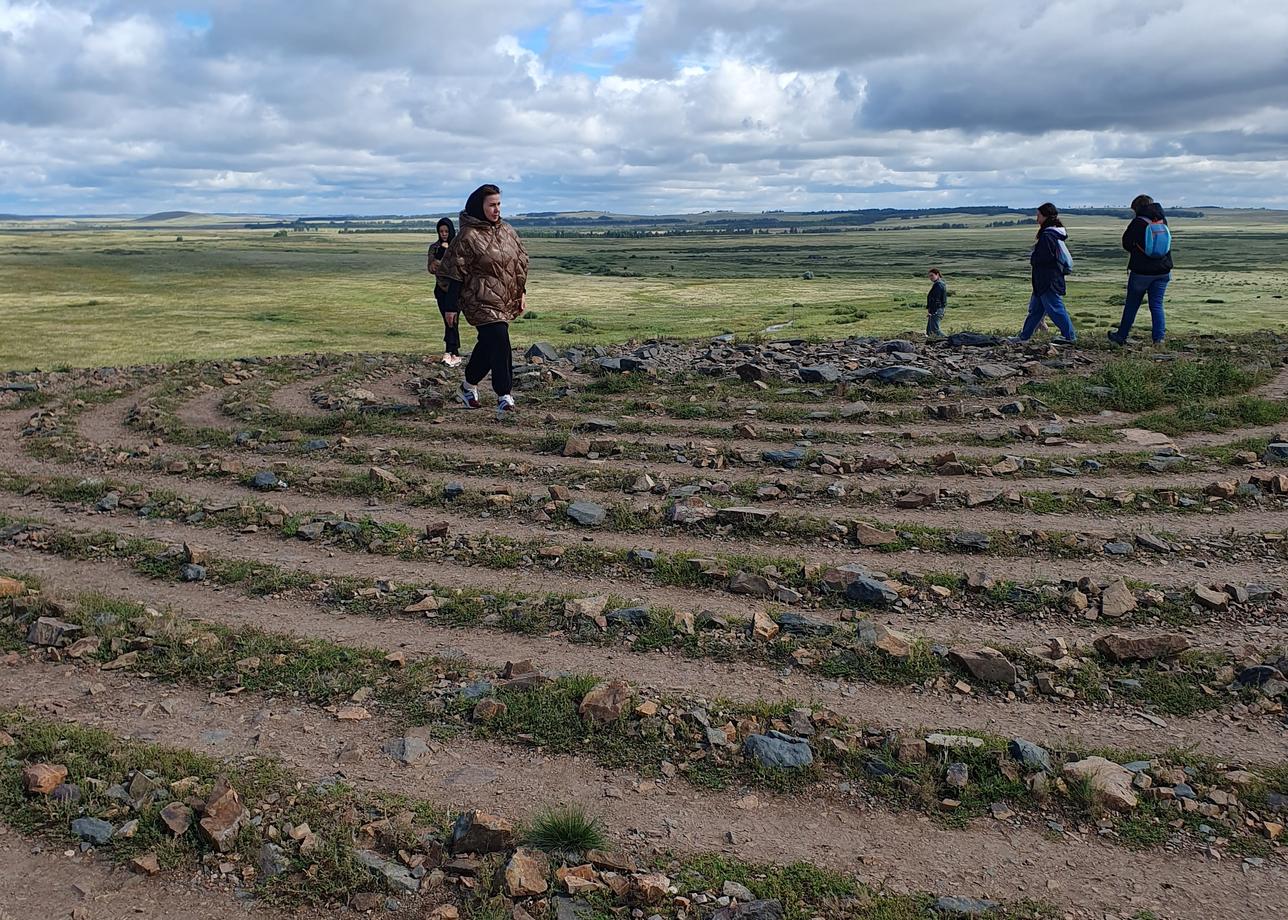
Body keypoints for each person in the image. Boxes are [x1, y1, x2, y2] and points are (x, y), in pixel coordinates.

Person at [435, 184, 528, 418]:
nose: (496, 210)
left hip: (504, 298)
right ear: (480, 206)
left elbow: (519, 262)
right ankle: (504, 396)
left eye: (499, 204)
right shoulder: (468, 235)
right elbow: (455, 272)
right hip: (478, 299)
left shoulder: (507, 230)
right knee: (500, 339)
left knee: (488, 345)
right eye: (491, 205)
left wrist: (521, 292)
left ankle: (467, 387)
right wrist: (450, 306)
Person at [1109, 195, 1173, 345]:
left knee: (1132, 304)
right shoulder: (1162, 220)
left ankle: (1121, 336)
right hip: (1163, 270)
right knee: (1156, 305)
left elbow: (1126, 243)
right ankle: (1159, 339)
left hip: (1141, 271)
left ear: (1137, 208)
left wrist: (1137, 250)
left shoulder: (1138, 222)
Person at [1014, 202, 1077, 343]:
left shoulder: (1048, 235)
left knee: (1055, 308)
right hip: (1044, 279)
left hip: (1047, 279)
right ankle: (1024, 337)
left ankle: (1070, 337)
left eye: (1038, 215)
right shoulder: (1055, 233)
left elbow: (1045, 257)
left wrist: (1034, 258)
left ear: (1045, 216)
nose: (1037, 219)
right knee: (1036, 311)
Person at [427, 217, 462, 367]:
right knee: (447, 321)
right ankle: (452, 351)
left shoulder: (458, 246)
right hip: (441, 289)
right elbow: (432, 268)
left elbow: (458, 268)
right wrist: (442, 252)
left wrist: (445, 258)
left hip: (456, 290)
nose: (444, 234)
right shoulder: (434, 248)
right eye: (441, 231)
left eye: (446, 231)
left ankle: (451, 351)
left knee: (453, 320)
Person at [925, 268, 947, 337]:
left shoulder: (939, 284)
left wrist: (932, 311)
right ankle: (932, 343)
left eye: (932, 275)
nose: (930, 278)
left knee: (935, 330)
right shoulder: (938, 284)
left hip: (937, 309)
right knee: (929, 330)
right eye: (929, 276)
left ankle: (947, 339)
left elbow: (936, 299)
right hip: (936, 309)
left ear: (937, 274)